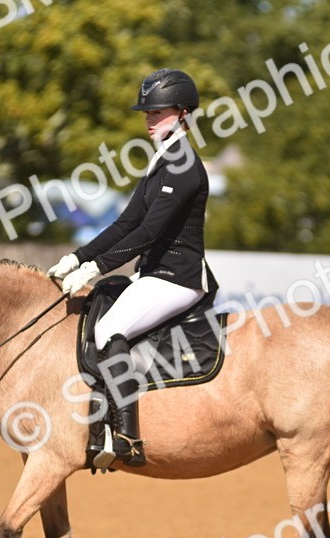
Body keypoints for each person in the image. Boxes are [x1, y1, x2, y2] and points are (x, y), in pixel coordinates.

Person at [48, 68, 216, 468]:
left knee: (109, 329)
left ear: (183, 112)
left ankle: (124, 437)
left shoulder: (184, 165)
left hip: (178, 279)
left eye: (158, 112)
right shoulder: (161, 161)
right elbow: (125, 223)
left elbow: (150, 231)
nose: (150, 119)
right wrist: (79, 256)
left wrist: (97, 268)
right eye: (147, 112)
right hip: (153, 275)